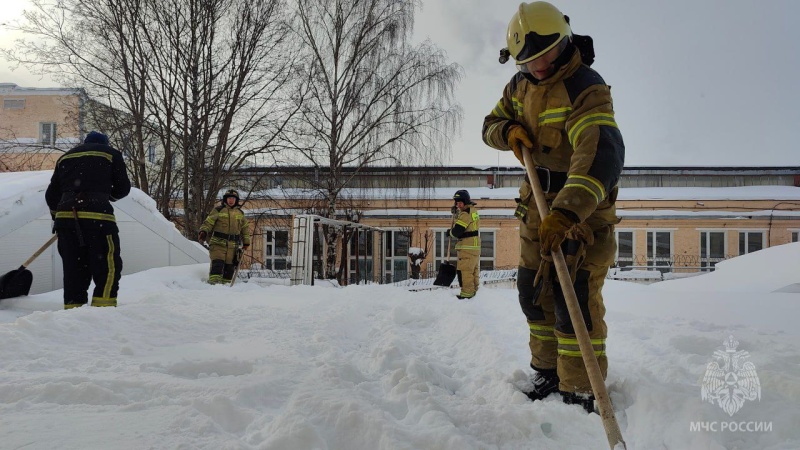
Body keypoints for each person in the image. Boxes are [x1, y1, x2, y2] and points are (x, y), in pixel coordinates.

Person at [482, 2, 625, 412]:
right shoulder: (519, 86)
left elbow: (600, 153)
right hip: (535, 209)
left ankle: (580, 388)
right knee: (534, 294)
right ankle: (546, 371)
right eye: (528, 60)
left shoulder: (586, 87)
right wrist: (507, 131)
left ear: (563, 41)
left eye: (544, 55)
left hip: (581, 215)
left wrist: (566, 213)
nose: (538, 66)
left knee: (573, 302)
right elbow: (489, 125)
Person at [45, 131, 132, 309]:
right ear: (105, 144)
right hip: (97, 220)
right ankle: (103, 311)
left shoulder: (64, 158)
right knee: (107, 267)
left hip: (66, 222)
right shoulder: (111, 154)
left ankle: (73, 314)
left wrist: (58, 217)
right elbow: (123, 188)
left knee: (74, 271)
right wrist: (104, 197)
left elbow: (51, 195)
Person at [198, 189, 251, 285]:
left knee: (229, 270)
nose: (231, 200)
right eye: (229, 198)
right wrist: (203, 231)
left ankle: (225, 290)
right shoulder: (218, 210)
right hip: (218, 244)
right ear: (225, 200)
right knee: (217, 264)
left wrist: (246, 241)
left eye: (233, 199)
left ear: (236, 200)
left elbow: (245, 229)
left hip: (233, 246)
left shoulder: (240, 213)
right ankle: (213, 287)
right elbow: (208, 223)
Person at [447, 190, 481, 299]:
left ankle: (467, 294)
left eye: (460, 203)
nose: (458, 205)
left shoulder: (465, 214)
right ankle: (476, 292)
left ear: (465, 201)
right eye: (456, 203)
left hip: (467, 247)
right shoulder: (473, 211)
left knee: (465, 271)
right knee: (473, 271)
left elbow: (457, 231)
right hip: (474, 247)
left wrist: (449, 233)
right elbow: (468, 224)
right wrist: (457, 213)